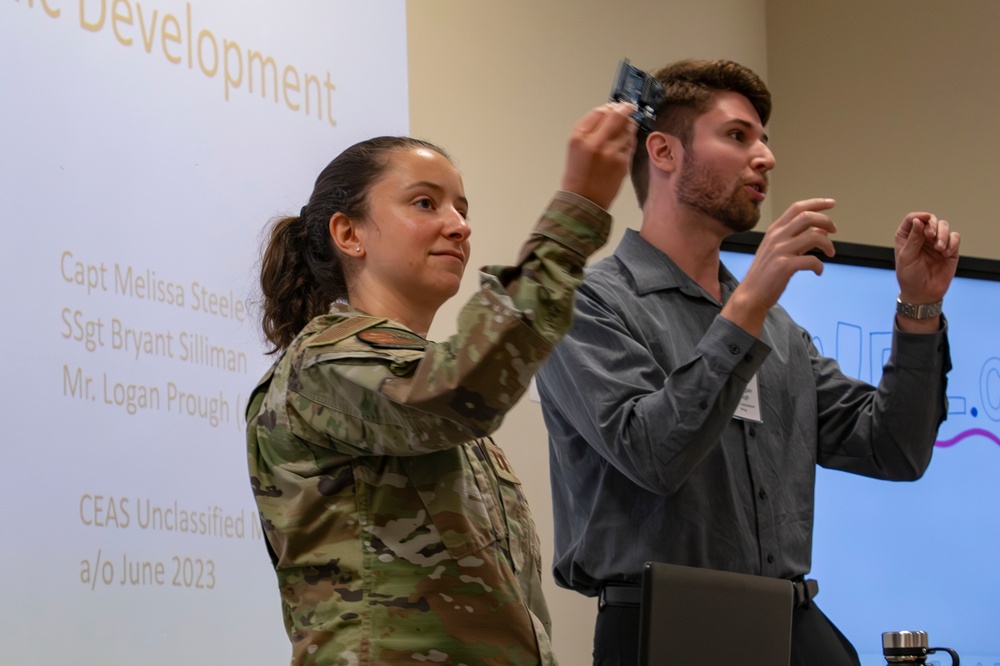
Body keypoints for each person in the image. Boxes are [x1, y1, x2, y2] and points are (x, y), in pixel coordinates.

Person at [536, 59, 960, 666]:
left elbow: (894, 448)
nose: (765, 157)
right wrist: (750, 302)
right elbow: (654, 456)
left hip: (789, 622)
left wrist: (918, 308)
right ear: (663, 151)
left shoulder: (780, 334)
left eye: (764, 139)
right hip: (668, 632)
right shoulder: (583, 304)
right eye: (737, 136)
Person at [245, 103, 637, 665]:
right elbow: (460, 390)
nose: (459, 224)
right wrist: (577, 211)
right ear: (348, 234)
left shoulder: (417, 372)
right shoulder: (323, 362)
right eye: (425, 203)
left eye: (462, 208)